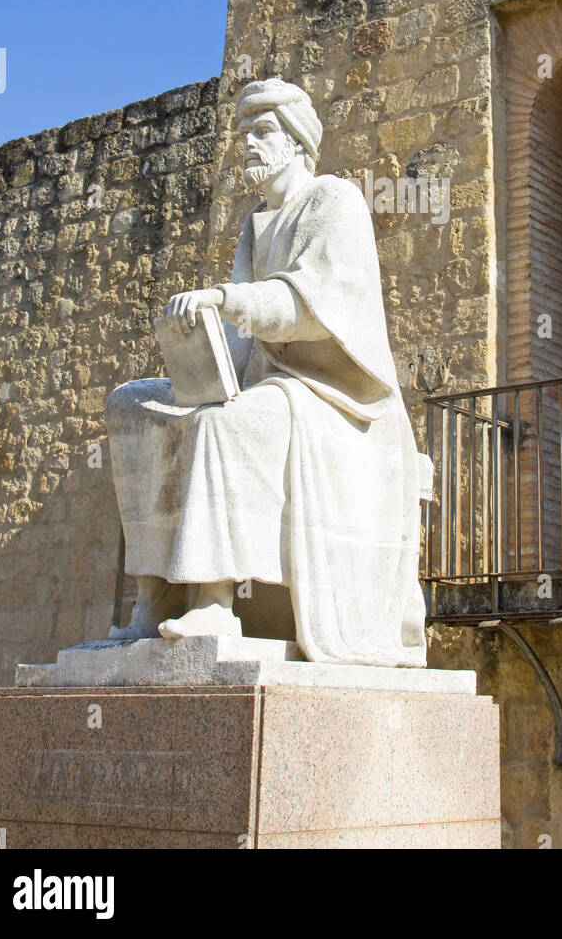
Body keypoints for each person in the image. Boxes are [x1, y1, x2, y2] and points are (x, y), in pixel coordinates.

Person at [104, 78, 430, 667]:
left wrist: (224, 299)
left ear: (297, 141)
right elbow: (235, 339)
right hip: (267, 384)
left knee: (222, 425)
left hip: (335, 401)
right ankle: (151, 598)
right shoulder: (257, 222)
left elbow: (307, 305)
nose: (247, 145)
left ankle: (214, 600)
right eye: (244, 134)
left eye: (262, 131)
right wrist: (195, 357)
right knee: (135, 408)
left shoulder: (335, 202)